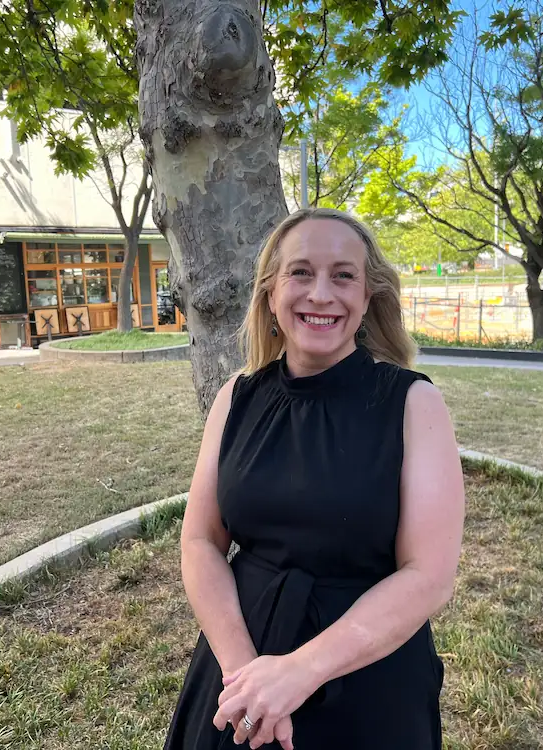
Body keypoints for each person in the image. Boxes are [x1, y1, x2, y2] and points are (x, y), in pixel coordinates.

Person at [163, 207, 466, 750]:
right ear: (271, 293)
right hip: (238, 675)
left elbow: (428, 575)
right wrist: (245, 675)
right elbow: (200, 540)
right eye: (301, 272)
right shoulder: (236, 397)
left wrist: (298, 673)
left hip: (366, 682)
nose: (321, 294)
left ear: (368, 295)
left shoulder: (413, 402)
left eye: (343, 275)